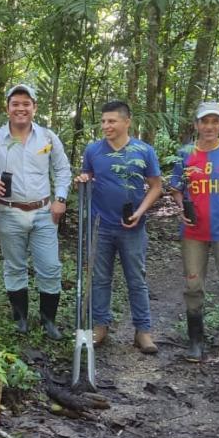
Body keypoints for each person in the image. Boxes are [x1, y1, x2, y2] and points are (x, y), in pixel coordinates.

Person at [0, 84, 71, 340]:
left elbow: (63, 170)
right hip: (8, 211)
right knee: (14, 265)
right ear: (7, 108)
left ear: (34, 107)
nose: (21, 109)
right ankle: (20, 317)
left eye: (26, 103)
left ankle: (48, 319)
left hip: (44, 212)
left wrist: (60, 199)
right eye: (15, 104)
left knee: (50, 266)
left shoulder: (48, 138)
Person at [75, 100, 162, 354]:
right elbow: (88, 175)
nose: (106, 126)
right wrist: (83, 179)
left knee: (137, 279)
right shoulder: (93, 151)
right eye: (103, 121)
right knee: (100, 278)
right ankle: (100, 326)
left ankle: (143, 331)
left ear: (127, 122)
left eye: (111, 121)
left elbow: (156, 186)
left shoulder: (143, 151)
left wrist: (140, 212)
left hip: (133, 228)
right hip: (100, 225)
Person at [168, 102, 219, 362]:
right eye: (204, 121)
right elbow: (176, 187)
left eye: (214, 121)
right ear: (196, 125)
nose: (209, 126)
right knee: (193, 284)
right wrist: (181, 206)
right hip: (193, 230)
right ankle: (195, 341)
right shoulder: (185, 153)